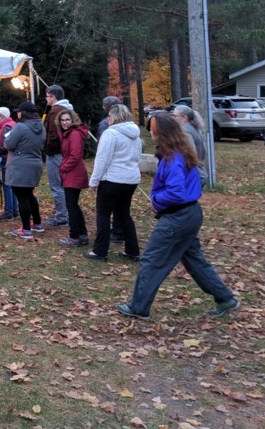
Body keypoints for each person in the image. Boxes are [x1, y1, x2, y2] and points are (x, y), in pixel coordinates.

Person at [115, 111, 239, 320]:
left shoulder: (173, 158)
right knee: (194, 259)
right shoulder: (180, 152)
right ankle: (225, 298)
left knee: (151, 260)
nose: (151, 134)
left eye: (152, 130)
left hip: (178, 218)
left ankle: (138, 307)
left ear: (161, 133)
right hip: (189, 214)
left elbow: (175, 192)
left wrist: (156, 200)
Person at [86, 104, 142, 262]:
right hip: (130, 179)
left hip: (112, 179)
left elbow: (102, 159)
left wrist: (94, 181)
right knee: (124, 214)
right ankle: (133, 250)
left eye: (110, 115)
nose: (108, 118)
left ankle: (100, 251)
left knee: (103, 215)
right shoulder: (135, 134)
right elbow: (137, 157)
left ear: (115, 116)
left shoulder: (111, 134)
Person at [2, 101, 46, 239]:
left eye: (19, 111)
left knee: (22, 196)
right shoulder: (41, 127)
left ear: (23, 113)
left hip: (20, 164)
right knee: (29, 194)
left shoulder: (20, 127)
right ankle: (37, 223)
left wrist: (8, 137)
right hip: (35, 163)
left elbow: (8, 144)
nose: (17, 113)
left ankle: (26, 229)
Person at [57, 109, 90, 247]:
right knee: (73, 205)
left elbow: (75, 156)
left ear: (73, 120)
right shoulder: (67, 134)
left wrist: (64, 168)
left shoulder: (74, 134)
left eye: (67, 120)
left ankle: (74, 236)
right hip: (71, 172)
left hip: (73, 173)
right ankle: (82, 235)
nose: (65, 123)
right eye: (62, 120)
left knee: (71, 206)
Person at [42, 85, 73, 227]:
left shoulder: (56, 111)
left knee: (57, 185)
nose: (46, 99)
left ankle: (61, 217)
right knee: (64, 185)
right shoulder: (68, 110)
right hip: (66, 152)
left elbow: (53, 135)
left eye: (47, 96)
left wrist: (48, 150)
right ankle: (66, 213)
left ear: (53, 97)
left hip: (56, 153)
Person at [98, 95, 124, 241]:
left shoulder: (106, 125)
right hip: (125, 172)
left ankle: (114, 232)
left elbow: (104, 150)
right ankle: (119, 230)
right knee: (121, 207)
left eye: (104, 105)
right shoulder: (128, 124)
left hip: (112, 171)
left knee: (108, 208)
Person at [172, 105, 208, 186]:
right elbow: (203, 151)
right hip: (197, 171)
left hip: (191, 173)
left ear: (184, 117)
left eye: (175, 116)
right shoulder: (195, 129)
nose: (173, 118)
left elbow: (190, 154)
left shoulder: (185, 132)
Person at [0, 107, 19, 222]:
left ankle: (9, 211)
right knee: (12, 185)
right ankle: (14, 209)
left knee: (7, 185)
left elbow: (6, 145)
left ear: (4, 116)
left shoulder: (6, 127)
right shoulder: (13, 124)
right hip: (12, 159)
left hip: (7, 159)